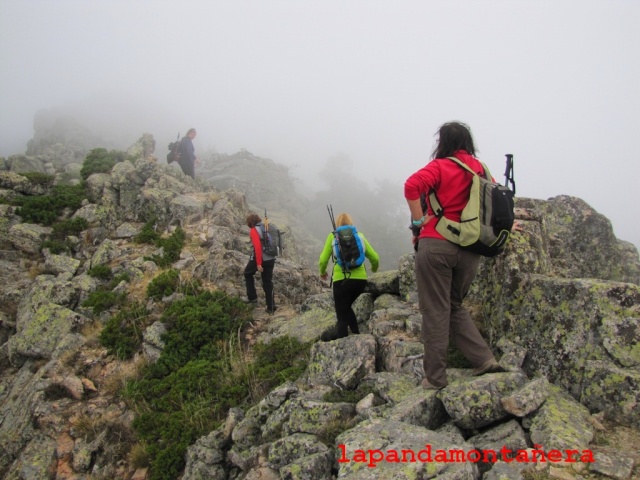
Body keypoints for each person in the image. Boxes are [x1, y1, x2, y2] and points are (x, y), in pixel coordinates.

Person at [404, 121, 508, 390]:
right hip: (471, 250)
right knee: (455, 305)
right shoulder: (481, 169)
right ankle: (484, 360)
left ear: (443, 142)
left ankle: (436, 378)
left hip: (437, 245)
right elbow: (496, 202)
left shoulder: (441, 166)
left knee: (436, 310)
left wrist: (418, 223)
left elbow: (411, 186)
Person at [318, 213, 379, 339]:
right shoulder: (359, 235)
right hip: (360, 281)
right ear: (351, 222)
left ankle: (343, 345)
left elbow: (323, 260)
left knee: (341, 315)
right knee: (346, 307)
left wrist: (322, 272)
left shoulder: (333, 236)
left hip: (341, 281)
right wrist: (373, 268)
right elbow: (375, 257)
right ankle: (356, 334)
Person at [244, 213, 277, 314]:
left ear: (250, 222)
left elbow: (257, 247)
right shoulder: (266, 227)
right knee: (267, 282)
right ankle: (271, 307)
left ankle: (252, 297)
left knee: (247, 273)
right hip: (271, 258)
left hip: (261, 258)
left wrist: (258, 263)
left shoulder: (254, 230)